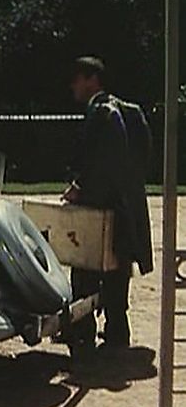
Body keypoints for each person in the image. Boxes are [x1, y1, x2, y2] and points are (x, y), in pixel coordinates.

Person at [62, 56, 153, 360]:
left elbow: (102, 162)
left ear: (91, 79)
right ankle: (116, 330)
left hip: (100, 203)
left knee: (86, 267)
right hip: (125, 204)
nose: (73, 86)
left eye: (77, 79)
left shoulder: (101, 112)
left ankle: (84, 331)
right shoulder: (130, 112)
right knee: (117, 267)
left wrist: (82, 189)